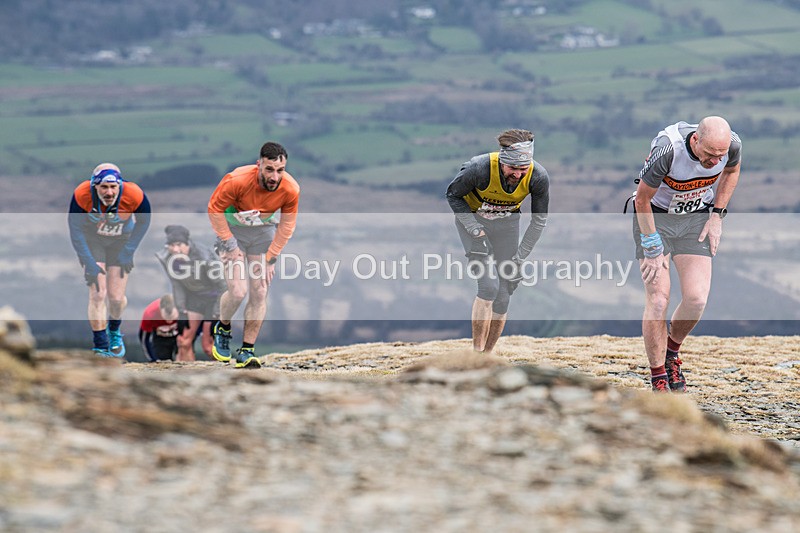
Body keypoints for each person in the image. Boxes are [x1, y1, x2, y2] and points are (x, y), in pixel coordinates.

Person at [632, 116, 741, 392]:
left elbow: (731, 171)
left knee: (696, 299)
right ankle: (658, 377)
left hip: (695, 218)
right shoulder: (668, 150)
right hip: (655, 219)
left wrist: (717, 215)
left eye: (720, 155)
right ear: (696, 140)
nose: (715, 161)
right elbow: (641, 199)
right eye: (709, 154)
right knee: (658, 299)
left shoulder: (732, 146)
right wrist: (652, 244)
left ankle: (671, 354)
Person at [446, 129, 550, 353]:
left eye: (523, 169)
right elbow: (453, 195)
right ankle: (476, 354)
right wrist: (475, 231)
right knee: (488, 287)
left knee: (504, 294)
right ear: (502, 162)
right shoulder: (478, 168)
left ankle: (488, 355)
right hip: (472, 222)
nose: (518, 175)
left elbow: (539, 221)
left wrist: (520, 258)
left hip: (507, 224)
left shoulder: (538, 176)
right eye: (513, 168)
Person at [207, 141, 300, 368]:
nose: (274, 177)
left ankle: (247, 351)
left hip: (261, 231)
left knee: (259, 289)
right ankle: (223, 327)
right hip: (232, 230)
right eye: (269, 169)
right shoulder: (236, 180)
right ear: (259, 165)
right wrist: (229, 244)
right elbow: (214, 209)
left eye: (280, 170)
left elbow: (287, 226)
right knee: (238, 291)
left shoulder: (290, 189)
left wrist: (272, 258)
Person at [68, 163, 151, 358]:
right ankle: (100, 346)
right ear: (94, 186)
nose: (109, 192)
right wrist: (88, 262)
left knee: (115, 298)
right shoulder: (82, 194)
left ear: (120, 185)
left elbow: (145, 221)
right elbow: (75, 230)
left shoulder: (134, 194)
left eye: (113, 187)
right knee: (98, 294)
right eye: (104, 187)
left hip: (121, 241)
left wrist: (129, 250)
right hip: (93, 240)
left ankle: (114, 330)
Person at [155, 224, 226, 362]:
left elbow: (223, 286)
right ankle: (187, 376)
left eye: (179, 244)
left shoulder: (203, 256)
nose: (175, 250)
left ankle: (225, 376)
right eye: (171, 245)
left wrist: (218, 312)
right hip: (193, 298)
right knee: (183, 341)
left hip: (214, 300)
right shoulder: (167, 258)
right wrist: (181, 309)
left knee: (208, 345)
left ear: (187, 243)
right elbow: (177, 284)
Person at [138, 294, 179, 362]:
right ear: (160, 309)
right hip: (160, 338)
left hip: (180, 336)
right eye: (166, 317)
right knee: (163, 362)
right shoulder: (150, 314)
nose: (169, 321)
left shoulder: (185, 309)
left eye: (173, 317)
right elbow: (144, 339)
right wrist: (153, 359)